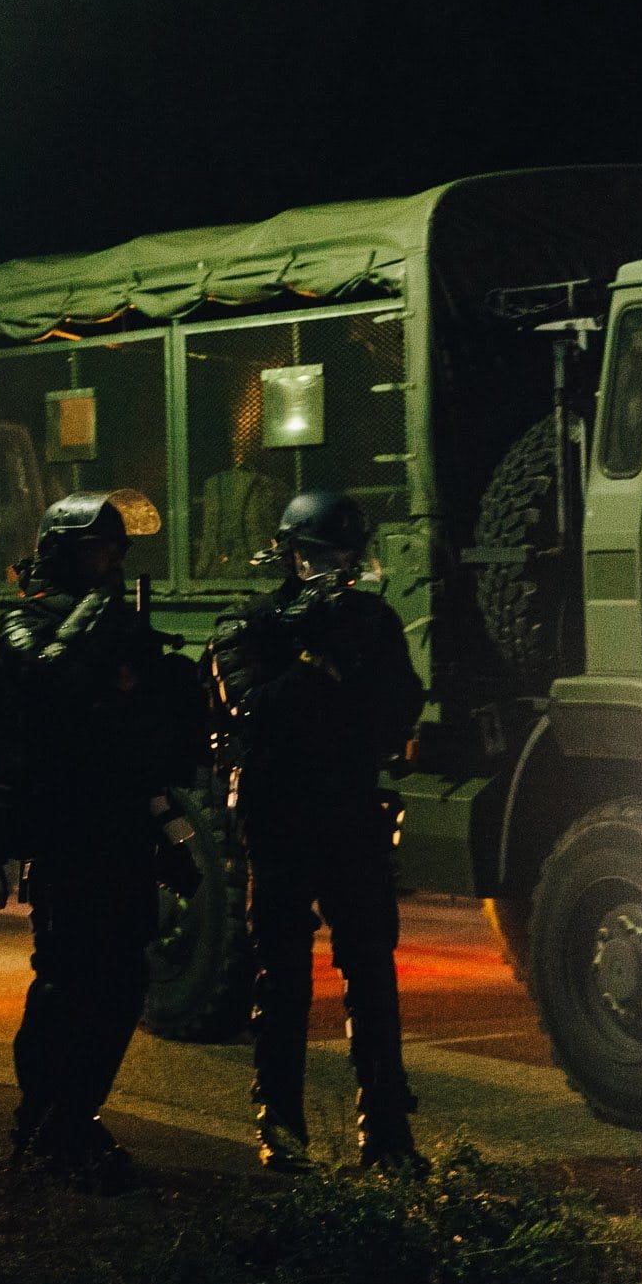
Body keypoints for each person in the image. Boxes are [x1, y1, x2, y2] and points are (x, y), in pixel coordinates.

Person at [206, 489, 428, 1174]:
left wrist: (346, 674)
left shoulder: (370, 621)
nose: (336, 569)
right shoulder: (253, 624)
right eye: (322, 556)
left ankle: (387, 1133)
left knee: (371, 970)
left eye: (344, 557)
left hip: (349, 809)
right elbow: (249, 711)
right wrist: (310, 665)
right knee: (282, 977)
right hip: (279, 814)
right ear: (292, 556)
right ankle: (281, 1126)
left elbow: (401, 707)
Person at [0, 488, 205, 1192]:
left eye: (115, 551)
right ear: (62, 552)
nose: (110, 563)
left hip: (122, 829)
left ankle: (77, 1118)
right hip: (65, 830)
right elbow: (44, 677)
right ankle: (41, 1125)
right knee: (66, 981)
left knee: (121, 983)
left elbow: (143, 744)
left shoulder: (119, 626)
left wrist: (171, 831)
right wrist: (95, 615)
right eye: (96, 550)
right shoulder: (25, 618)